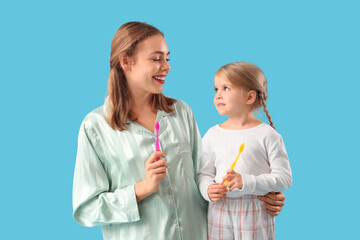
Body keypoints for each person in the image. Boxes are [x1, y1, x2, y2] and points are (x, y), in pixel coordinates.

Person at [72, 22, 286, 240]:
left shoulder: (181, 112)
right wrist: (142, 189)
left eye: (167, 58)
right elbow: (87, 209)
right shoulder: (96, 127)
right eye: (157, 59)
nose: (167, 66)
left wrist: (257, 194)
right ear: (126, 61)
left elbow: (206, 179)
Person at [197, 62, 292, 240]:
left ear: (249, 97)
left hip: (256, 210)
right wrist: (208, 189)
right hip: (219, 209)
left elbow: (285, 178)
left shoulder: (268, 135)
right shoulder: (212, 134)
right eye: (216, 89)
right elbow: (203, 173)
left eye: (226, 88)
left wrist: (246, 182)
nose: (218, 95)